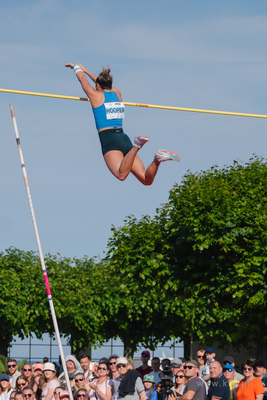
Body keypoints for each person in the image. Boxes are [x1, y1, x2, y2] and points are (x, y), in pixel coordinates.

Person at [65, 63, 180, 185]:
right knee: (147, 181)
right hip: (123, 138)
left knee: (121, 175)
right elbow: (100, 83)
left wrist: (77, 67)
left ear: (97, 85)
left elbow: (82, 79)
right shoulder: (116, 93)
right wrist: (86, 70)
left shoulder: (95, 95)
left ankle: (138, 146)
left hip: (109, 139)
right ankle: (157, 159)